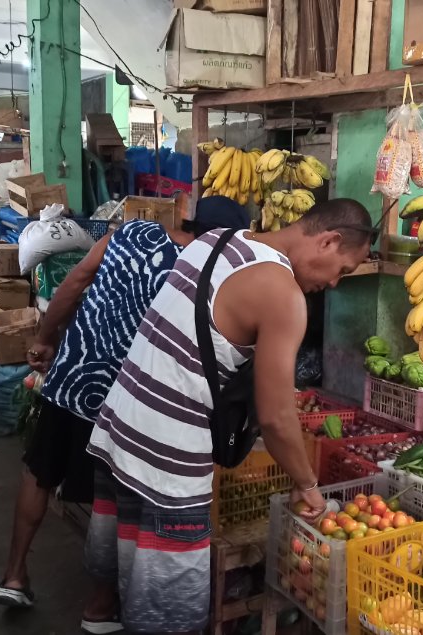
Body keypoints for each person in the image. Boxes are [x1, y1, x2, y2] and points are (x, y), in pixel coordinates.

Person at [84, 198, 373, 635]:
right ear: (328, 240)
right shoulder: (282, 294)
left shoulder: (217, 241)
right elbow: (276, 417)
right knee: (170, 613)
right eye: (342, 270)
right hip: (169, 462)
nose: (334, 283)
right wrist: (307, 484)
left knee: (127, 574)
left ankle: (98, 620)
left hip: (119, 428)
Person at [0, 197, 251, 634]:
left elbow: (75, 282)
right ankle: (99, 606)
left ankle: (15, 575)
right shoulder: (202, 273)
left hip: (73, 374)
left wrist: (44, 337)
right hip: (126, 398)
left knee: (37, 473)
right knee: (113, 496)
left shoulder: (128, 233)